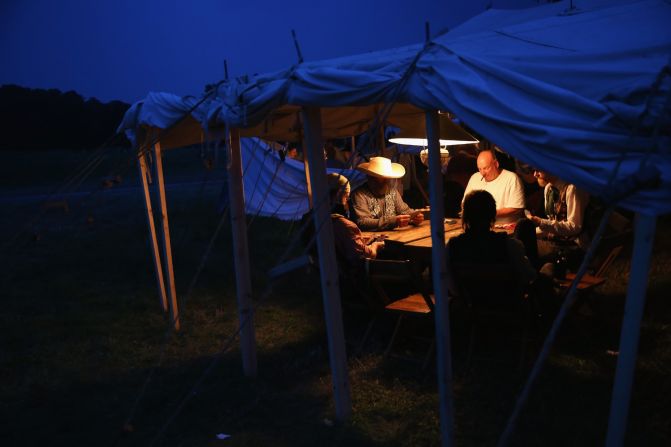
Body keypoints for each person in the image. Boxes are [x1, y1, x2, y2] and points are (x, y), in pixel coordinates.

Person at [447, 190, 536, 292]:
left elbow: (451, 286)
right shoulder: (509, 246)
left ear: (464, 215)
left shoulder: (453, 246)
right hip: (506, 306)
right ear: (493, 215)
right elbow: (528, 277)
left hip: (470, 305)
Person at [526, 168, 590, 268]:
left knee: (527, 254)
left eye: (538, 170)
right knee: (521, 243)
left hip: (574, 247)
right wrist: (529, 232)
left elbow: (575, 227)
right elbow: (552, 226)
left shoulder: (572, 188)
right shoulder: (549, 189)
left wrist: (541, 223)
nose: (535, 174)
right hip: (556, 242)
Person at [351, 156, 424, 230]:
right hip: (373, 239)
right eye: (381, 178)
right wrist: (393, 221)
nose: (386, 181)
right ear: (370, 178)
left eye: (387, 178)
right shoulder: (359, 194)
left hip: (395, 237)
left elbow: (404, 211)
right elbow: (362, 221)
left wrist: (414, 217)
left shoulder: (392, 191)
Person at [327, 173, 385, 267]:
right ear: (338, 195)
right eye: (346, 198)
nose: (347, 203)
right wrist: (375, 246)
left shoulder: (313, 220)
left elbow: (347, 242)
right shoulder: (344, 225)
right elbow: (366, 255)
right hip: (344, 276)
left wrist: (360, 240)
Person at [462, 149, 525, 223]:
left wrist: (488, 213)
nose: (482, 173)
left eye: (486, 168)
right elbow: (464, 203)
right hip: (479, 226)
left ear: (496, 164)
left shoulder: (512, 178)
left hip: (505, 228)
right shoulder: (475, 177)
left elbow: (516, 208)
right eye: (480, 169)